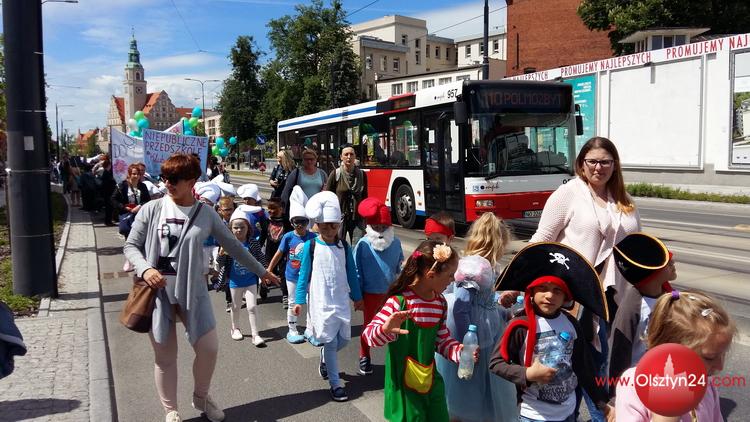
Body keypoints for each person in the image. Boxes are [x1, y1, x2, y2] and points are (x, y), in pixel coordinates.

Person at [123, 153, 279, 422]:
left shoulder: (206, 214)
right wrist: (145, 269)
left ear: (192, 181)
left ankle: (201, 397)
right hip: (157, 295)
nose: (168, 183)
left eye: (174, 179)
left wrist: (261, 271)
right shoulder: (151, 209)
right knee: (165, 357)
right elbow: (131, 246)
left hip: (192, 292)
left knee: (209, 349)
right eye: (165, 177)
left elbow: (233, 246)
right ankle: (171, 410)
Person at [530, 136, 640, 422]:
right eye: (592, 161)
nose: (598, 167)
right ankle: (603, 414)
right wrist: (523, 280)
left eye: (605, 162)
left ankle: (585, 413)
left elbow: (637, 245)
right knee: (589, 364)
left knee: (603, 364)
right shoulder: (568, 194)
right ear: (581, 164)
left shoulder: (624, 200)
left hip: (618, 295)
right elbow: (543, 238)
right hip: (578, 297)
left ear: (615, 165)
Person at [489, 242, 614, 422]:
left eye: (557, 291)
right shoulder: (520, 325)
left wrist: (602, 403)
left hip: (567, 412)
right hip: (533, 414)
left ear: (565, 298)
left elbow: (584, 367)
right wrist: (528, 374)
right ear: (531, 292)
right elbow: (496, 363)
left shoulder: (571, 324)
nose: (549, 295)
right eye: (543, 288)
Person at [363, 240, 473, 422]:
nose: (452, 280)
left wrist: (459, 352)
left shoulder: (440, 303)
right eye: (449, 275)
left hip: (430, 380)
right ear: (431, 275)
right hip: (404, 387)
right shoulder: (399, 302)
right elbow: (368, 337)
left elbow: (441, 340)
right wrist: (385, 329)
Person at [436, 213, 517, 422]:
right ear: (498, 242)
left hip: (483, 329)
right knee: (468, 389)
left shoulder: (485, 265)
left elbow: (482, 300)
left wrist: (501, 306)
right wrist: (467, 342)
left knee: (478, 388)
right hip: (473, 333)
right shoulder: (473, 267)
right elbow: (461, 307)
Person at [615, 290, 735, 421]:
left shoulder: (706, 384)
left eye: (723, 354)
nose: (720, 366)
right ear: (670, 351)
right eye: (710, 357)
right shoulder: (634, 384)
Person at [292, 191, 363, 402]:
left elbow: (351, 273)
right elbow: (303, 275)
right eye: (324, 226)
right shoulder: (311, 246)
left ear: (339, 224)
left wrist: (357, 297)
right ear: (317, 226)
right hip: (321, 302)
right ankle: (335, 384)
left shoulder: (344, 247)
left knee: (344, 339)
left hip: (340, 300)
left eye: (333, 226)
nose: (329, 230)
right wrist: (299, 301)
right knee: (331, 342)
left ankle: (324, 356)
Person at [608, 232, 676, 384]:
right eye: (668, 262)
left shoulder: (671, 296)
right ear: (652, 275)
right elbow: (619, 353)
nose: (673, 262)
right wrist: (616, 393)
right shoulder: (632, 307)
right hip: (639, 381)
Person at [354, 198, 403, 376]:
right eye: (376, 227)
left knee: (394, 327)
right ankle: (364, 355)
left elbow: (400, 267)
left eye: (383, 227)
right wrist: (357, 296)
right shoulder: (363, 244)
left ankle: (395, 358)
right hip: (370, 294)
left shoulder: (395, 243)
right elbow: (356, 271)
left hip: (391, 294)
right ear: (369, 227)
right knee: (368, 326)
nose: (380, 231)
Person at [215, 205, 271, 346]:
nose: (239, 230)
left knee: (252, 307)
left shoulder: (253, 242)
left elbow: (260, 257)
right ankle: (235, 328)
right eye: (236, 227)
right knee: (235, 306)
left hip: (251, 280)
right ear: (231, 229)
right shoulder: (227, 243)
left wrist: (265, 272)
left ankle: (255, 334)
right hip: (234, 281)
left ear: (248, 228)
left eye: (242, 227)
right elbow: (220, 263)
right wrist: (221, 254)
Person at [268, 186, 316, 344]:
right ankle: (292, 328)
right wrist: (269, 269)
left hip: (309, 276)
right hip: (292, 276)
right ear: (291, 222)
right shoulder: (288, 237)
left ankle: (310, 328)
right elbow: (279, 254)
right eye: (296, 222)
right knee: (292, 302)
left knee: (311, 303)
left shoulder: (313, 237)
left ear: (307, 222)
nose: (299, 225)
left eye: (303, 222)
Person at [325, 145, 368, 245]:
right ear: (341, 157)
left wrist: (365, 218)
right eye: (346, 154)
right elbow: (328, 197)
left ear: (355, 156)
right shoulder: (335, 174)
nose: (349, 157)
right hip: (340, 218)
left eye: (351, 154)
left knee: (358, 246)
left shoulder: (362, 175)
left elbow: (365, 197)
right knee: (338, 245)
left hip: (357, 218)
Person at [280, 149, 328, 220]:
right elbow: (286, 191)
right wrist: (283, 209)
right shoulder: (296, 173)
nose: (309, 161)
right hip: (301, 210)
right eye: (306, 159)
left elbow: (327, 190)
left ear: (316, 160)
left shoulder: (322, 173)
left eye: (311, 159)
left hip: (317, 210)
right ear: (303, 160)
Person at [112, 163, 152, 238]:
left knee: (140, 237)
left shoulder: (142, 186)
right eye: (134, 174)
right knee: (129, 237)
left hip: (140, 216)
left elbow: (147, 200)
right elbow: (113, 199)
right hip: (127, 215)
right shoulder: (122, 185)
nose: (136, 176)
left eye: (138, 174)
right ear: (129, 174)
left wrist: (140, 206)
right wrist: (124, 207)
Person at [264, 197, 289, 309]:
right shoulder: (266, 221)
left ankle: (285, 295)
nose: (270, 211)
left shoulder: (287, 222)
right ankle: (264, 287)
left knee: (284, 274)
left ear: (281, 209)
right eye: (269, 208)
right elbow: (263, 236)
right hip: (269, 252)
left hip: (283, 253)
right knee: (268, 272)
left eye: (273, 208)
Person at [96, 155, 117, 226]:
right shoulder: (106, 173)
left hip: (107, 193)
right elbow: (108, 183)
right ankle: (108, 221)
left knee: (109, 208)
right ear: (108, 165)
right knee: (109, 208)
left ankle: (108, 221)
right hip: (108, 193)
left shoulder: (106, 172)